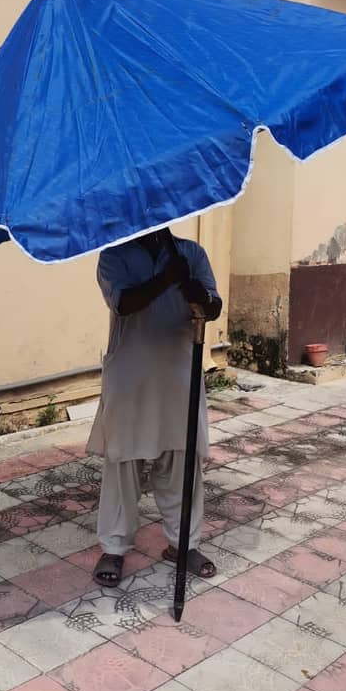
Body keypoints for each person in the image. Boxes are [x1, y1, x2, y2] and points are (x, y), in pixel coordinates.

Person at [87, 227, 222, 586]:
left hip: (179, 373)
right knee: (123, 463)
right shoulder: (113, 254)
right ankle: (114, 549)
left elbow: (213, 307)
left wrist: (198, 295)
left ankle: (184, 545)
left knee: (182, 461)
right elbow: (124, 303)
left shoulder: (191, 253)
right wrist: (166, 278)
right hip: (130, 376)